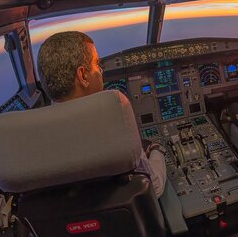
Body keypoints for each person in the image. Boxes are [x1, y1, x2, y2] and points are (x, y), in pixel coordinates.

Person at [36, 31, 166, 197]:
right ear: (82, 75)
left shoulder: (36, 138)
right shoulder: (113, 126)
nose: (101, 71)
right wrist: (156, 151)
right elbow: (154, 187)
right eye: (97, 64)